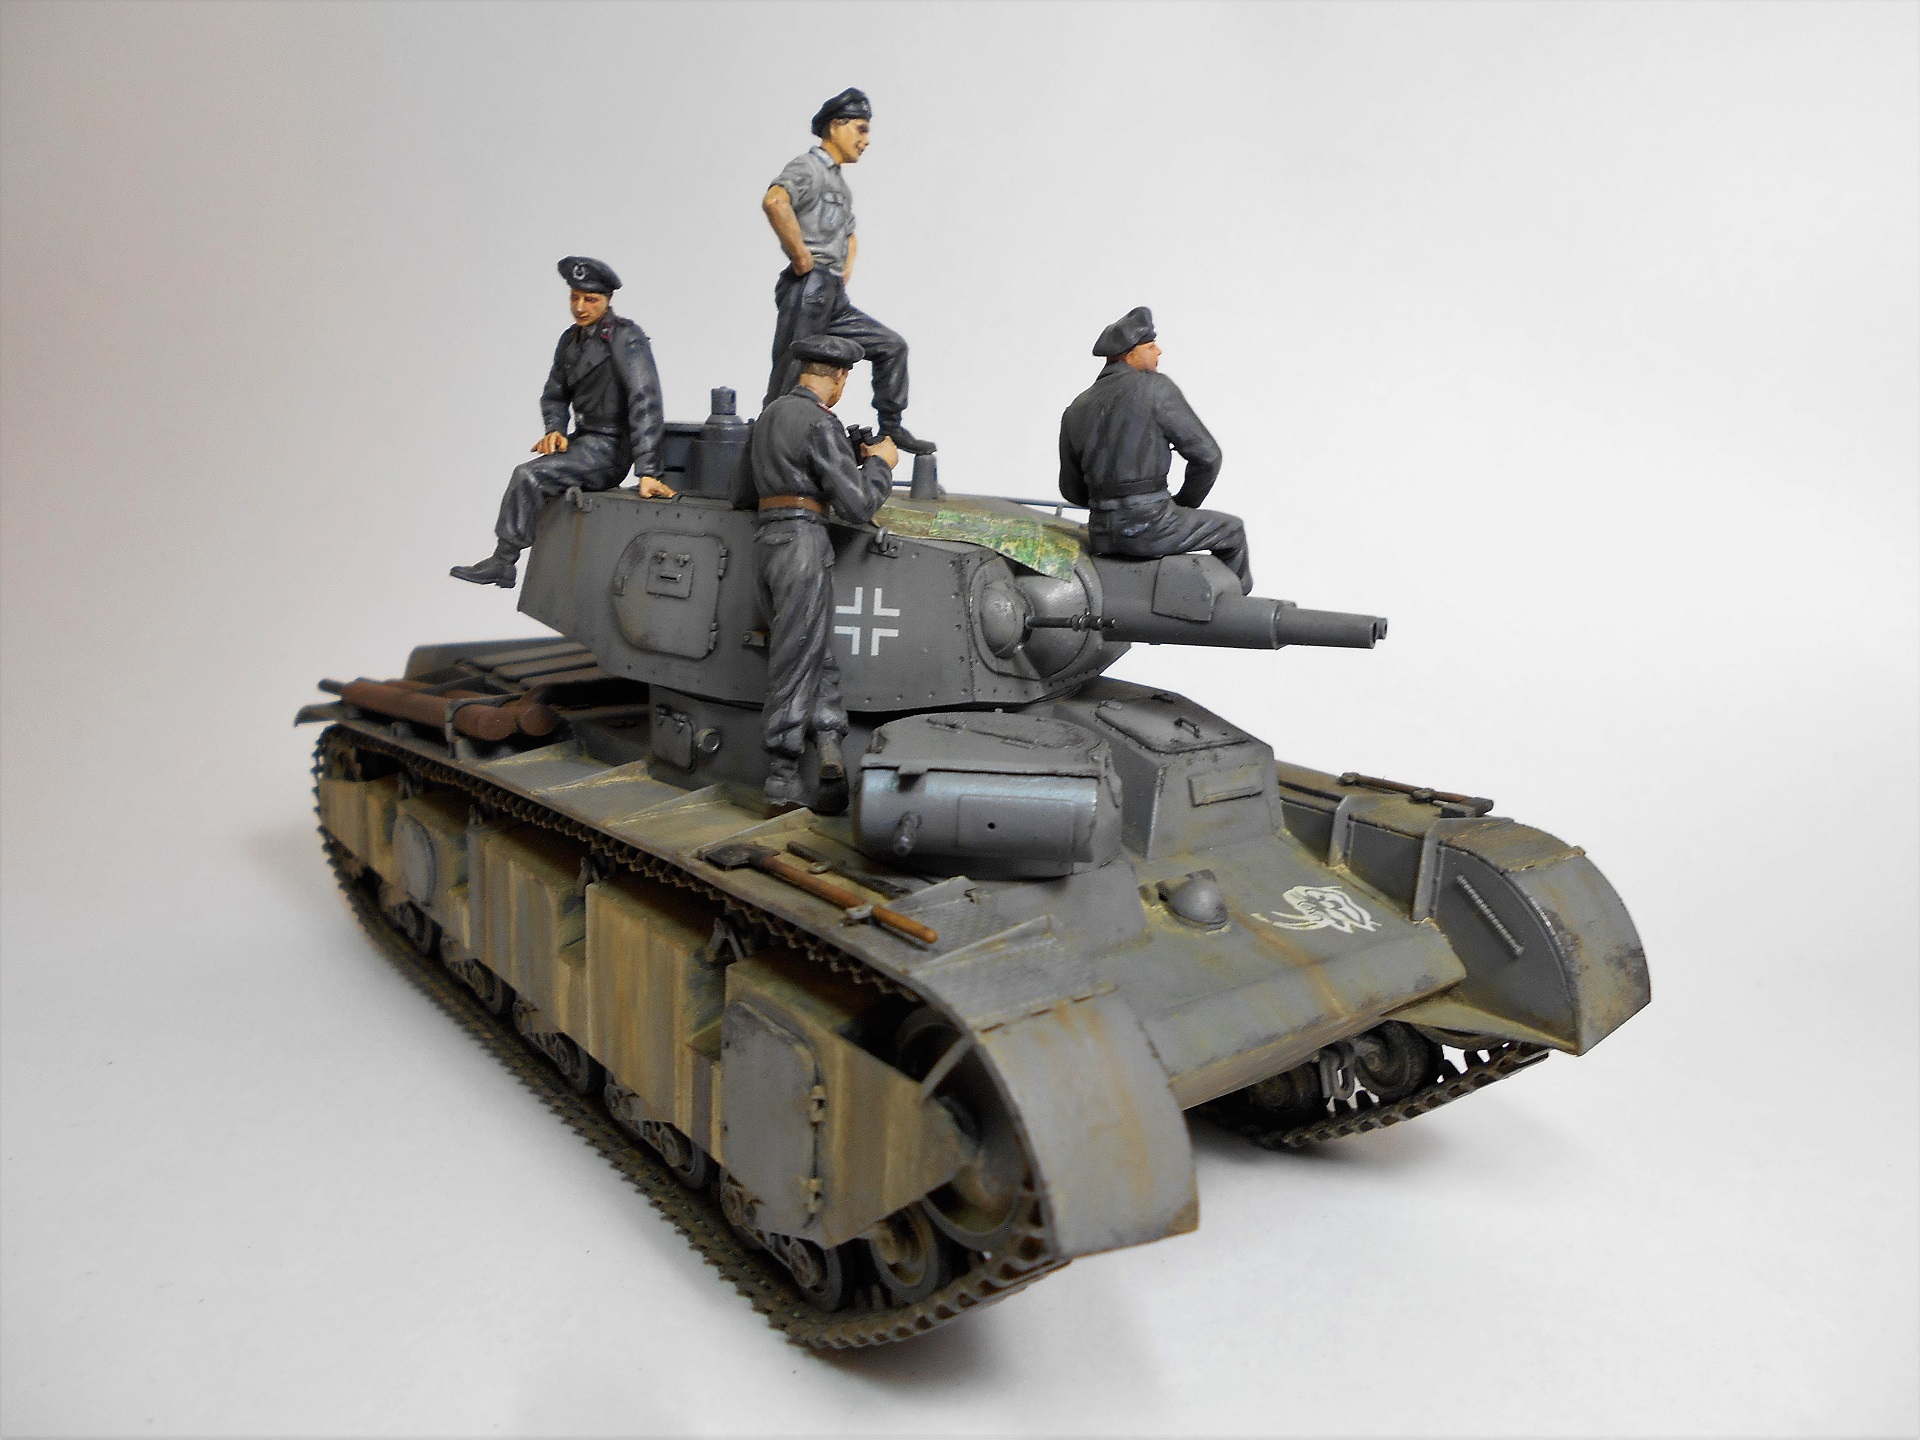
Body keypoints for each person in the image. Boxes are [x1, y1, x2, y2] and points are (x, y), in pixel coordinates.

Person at [451, 257, 673, 589]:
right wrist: (554, 429)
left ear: (607, 299)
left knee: (528, 475)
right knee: (532, 473)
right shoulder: (570, 341)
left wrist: (648, 471)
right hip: (583, 440)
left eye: (590, 299)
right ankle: (503, 562)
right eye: (574, 297)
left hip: (611, 449)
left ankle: (503, 561)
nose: (580, 307)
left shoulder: (625, 338)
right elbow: (554, 394)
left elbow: (645, 401)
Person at [751, 334, 899, 810]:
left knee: (810, 647)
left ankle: (830, 741)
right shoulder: (820, 422)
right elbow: (856, 506)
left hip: (766, 542)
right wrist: (880, 466)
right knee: (795, 657)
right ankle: (781, 776)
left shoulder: (769, 415)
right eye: (844, 380)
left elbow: (741, 492)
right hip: (802, 544)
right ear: (838, 376)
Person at [760, 87, 934, 456]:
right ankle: (770, 443)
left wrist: (842, 270)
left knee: (891, 347)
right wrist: (802, 258)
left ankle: (891, 426)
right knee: (791, 371)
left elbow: (849, 234)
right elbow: (775, 201)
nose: (865, 140)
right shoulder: (808, 167)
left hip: (831, 292)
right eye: (860, 129)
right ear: (835, 126)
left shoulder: (839, 182)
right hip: (808, 288)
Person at [1057, 306, 1252, 593]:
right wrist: (1184, 504)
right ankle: (1236, 608)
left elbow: (1071, 491)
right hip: (1153, 526)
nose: (1158, 351)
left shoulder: (1076, 408)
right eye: (1150, 346)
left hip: (1101, 534)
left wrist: (1110, 505)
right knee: (1232, 531)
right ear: (1129, 354)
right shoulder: (1155, 388)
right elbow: (1208, 457)